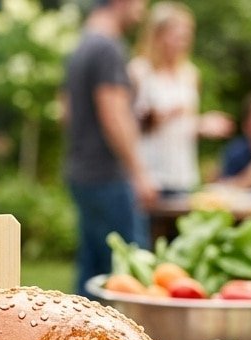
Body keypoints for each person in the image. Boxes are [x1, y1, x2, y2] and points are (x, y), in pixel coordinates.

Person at [62, 0, 154, 296]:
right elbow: (113, 114)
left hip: (82, 172)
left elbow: (64, 111)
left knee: (92, 274)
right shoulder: (108, 48)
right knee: (130, 274)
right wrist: (139, 173)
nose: (143, 10)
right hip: (108, 176)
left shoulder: (81, 45)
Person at [127, 1, 233, 197]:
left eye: (186, 36)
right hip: (149, 174)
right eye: (176, 36)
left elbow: (186, 126)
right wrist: (167, 114)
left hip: (182, 175)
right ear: (157, 35)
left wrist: (203, 125)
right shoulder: (139, 71)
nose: (182, 42)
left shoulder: (190, 74)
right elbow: (130, 124)